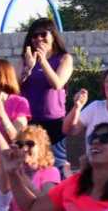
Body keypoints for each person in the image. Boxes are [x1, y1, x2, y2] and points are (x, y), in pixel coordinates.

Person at [20, 18, 74, 166]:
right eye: (34, 35)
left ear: (53, 36)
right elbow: (14, 88)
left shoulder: (64, 58)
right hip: (30, 121)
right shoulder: (25, 59)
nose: (39, 39)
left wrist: (43, 61)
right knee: (31, 165)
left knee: (57, 165)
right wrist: (28, 69)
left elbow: (57, 83)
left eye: (43, 34)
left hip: (54, 122)